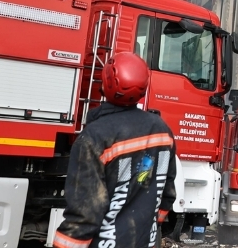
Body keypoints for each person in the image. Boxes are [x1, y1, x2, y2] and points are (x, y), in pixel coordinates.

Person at [52, 53, 177, 248]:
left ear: (107, 83)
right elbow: (166, 190)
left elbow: (86, 212)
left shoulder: (94, 137)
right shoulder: (161, 129)